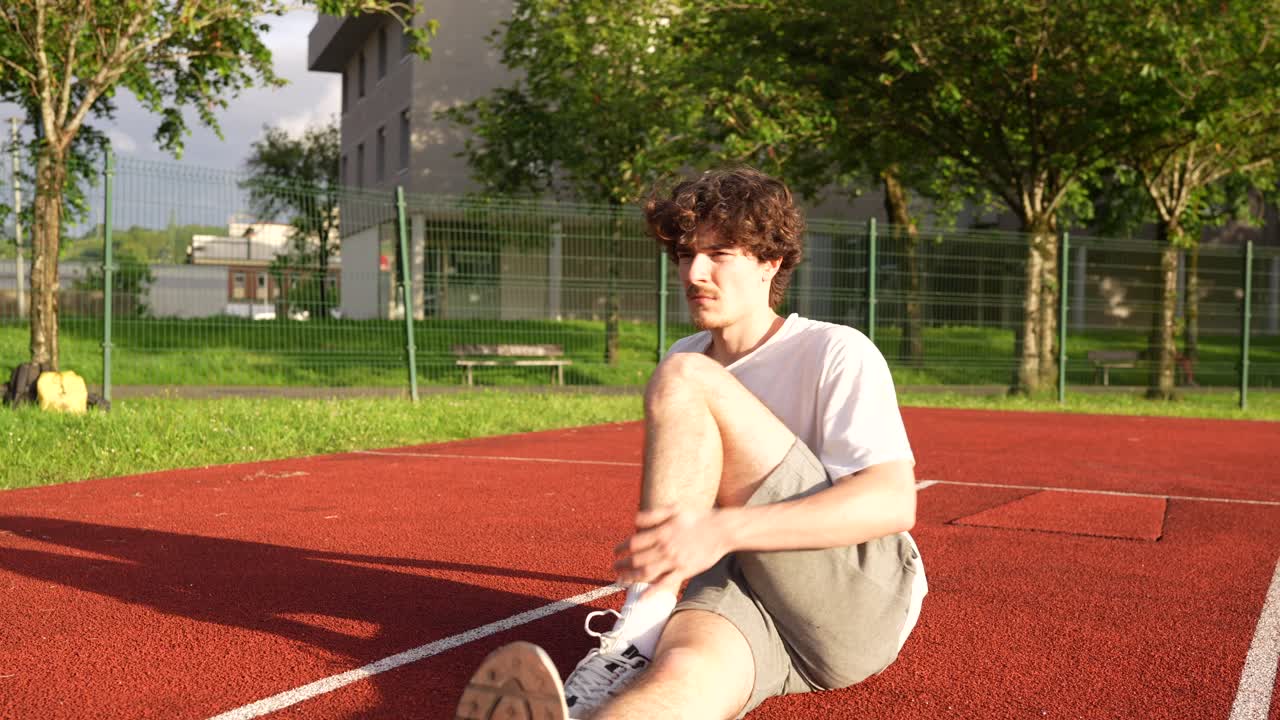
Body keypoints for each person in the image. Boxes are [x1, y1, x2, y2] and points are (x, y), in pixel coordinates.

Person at [455, 166, 927, 720]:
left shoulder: (833, 350)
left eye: (720, 254)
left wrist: (723, 529)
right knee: (674, 683)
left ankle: (639, 627)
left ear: (770, 263)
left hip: (854, 601)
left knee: (685, 376)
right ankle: (626, 665)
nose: (695, 272)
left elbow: (893, 502)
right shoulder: (689, 350)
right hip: (746, 598)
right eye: (685, 255)